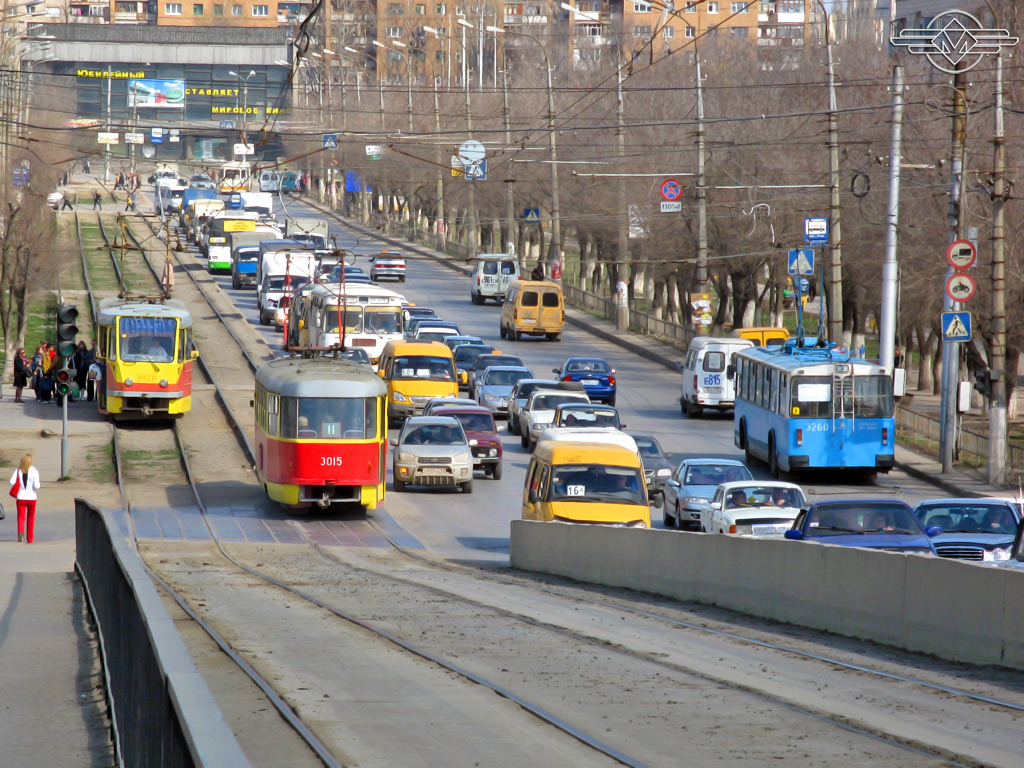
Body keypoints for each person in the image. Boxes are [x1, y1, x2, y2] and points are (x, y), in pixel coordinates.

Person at [10, 454, 41, 544]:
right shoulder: (34, 471)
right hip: (32, 498)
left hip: (21, 497)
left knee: (21, 517)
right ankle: (30, 538)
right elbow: (37, 486)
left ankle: (20, 533)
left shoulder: (18, 470)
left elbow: (11, 481)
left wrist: (18, 485)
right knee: (31, 518)